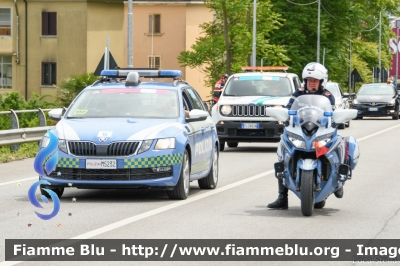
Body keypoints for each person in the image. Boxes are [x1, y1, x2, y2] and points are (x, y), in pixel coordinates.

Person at [267, 62, 339, 210]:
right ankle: (282, 198)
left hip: (319, 132)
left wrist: (336, 118)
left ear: (321, 82)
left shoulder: (327, 96)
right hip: (301, 131)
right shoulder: (298, 94)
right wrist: (285, 115)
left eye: (314, 80)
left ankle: (337, 182)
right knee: (284, 155)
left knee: (334, 148)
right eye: (308, 80)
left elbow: (333, 114)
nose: (311, 83)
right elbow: (289, 109)